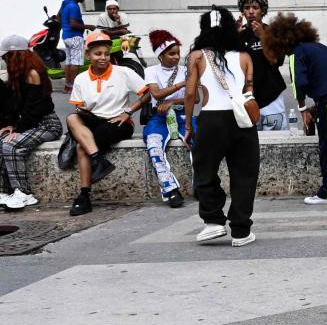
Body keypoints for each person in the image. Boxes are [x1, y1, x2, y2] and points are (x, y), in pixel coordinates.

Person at [262, 14, 327, 204]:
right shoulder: (318, 47)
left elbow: (298, 83)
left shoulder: (296, 53)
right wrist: (315, 107)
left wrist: (302, 109)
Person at [182, 7, 260, 246]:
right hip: (242, 121)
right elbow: (249, 92)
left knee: (204, 170)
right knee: (244, 175)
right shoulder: (245, 56)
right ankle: (241, 231)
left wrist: (188, 125)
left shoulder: (197, 56)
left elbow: (190, 94)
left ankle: (213, 221)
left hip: (211, 120)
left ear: (204, 29)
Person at [64, 32, 149, 216]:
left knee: (81, 147)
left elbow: (148, 93)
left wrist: (128, 111)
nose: (103, 57)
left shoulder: (123, 72)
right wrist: (83, 111)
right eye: (98, 54)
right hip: (94, 120)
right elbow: (79, 106)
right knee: (71, 118)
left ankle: (84, 195)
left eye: (106, 54)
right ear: (88, 56)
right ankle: (98, 160)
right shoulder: (81, 78)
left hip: (118, 121)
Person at [0, 34, 59, 210]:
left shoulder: (33, 73)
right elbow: (14, 106)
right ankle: (4, 191)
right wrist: (10, 125)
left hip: (47, 125)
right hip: (30, 124)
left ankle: (24, 193)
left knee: (10, 145)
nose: (4, 61)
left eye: (6, 57)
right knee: (2, 140)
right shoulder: (17, 76)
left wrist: (18, 130)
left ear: (15, 56)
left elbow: (33, 109)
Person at [139, 29, 188, 209]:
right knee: (153, 145)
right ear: (161, 55)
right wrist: (181, 84)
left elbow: (195, 99)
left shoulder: (185, 70)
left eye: (178, 53)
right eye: (171, 54)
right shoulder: (151, 71)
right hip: (159, 117)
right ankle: (170, 189)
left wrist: (173, 101)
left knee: (200, 142)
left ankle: (202, 186)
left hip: (183, 115)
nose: (177, 57)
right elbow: (156, 93)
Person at [237, 0, 291, 130]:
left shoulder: (273, 32)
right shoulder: (239, 34)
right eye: (247, 8)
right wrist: (232, 37)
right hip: (247, 99)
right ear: (242, 11)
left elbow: (275, 60)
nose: (251, 12)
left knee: (276, 138)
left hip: (271, 98)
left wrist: (262, 36)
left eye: (255, 8)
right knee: (251, 140)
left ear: (263, 11)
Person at [57, 0, 91, 90]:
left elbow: (58, 17)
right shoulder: (74, 6)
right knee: (76, 63)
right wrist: (89, 26)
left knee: (69, 62)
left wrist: (65, 27)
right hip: (75, 37)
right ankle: (73, 87)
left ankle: (67, 86)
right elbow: (74, 24)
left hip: (66, 36)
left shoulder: (65, 2)